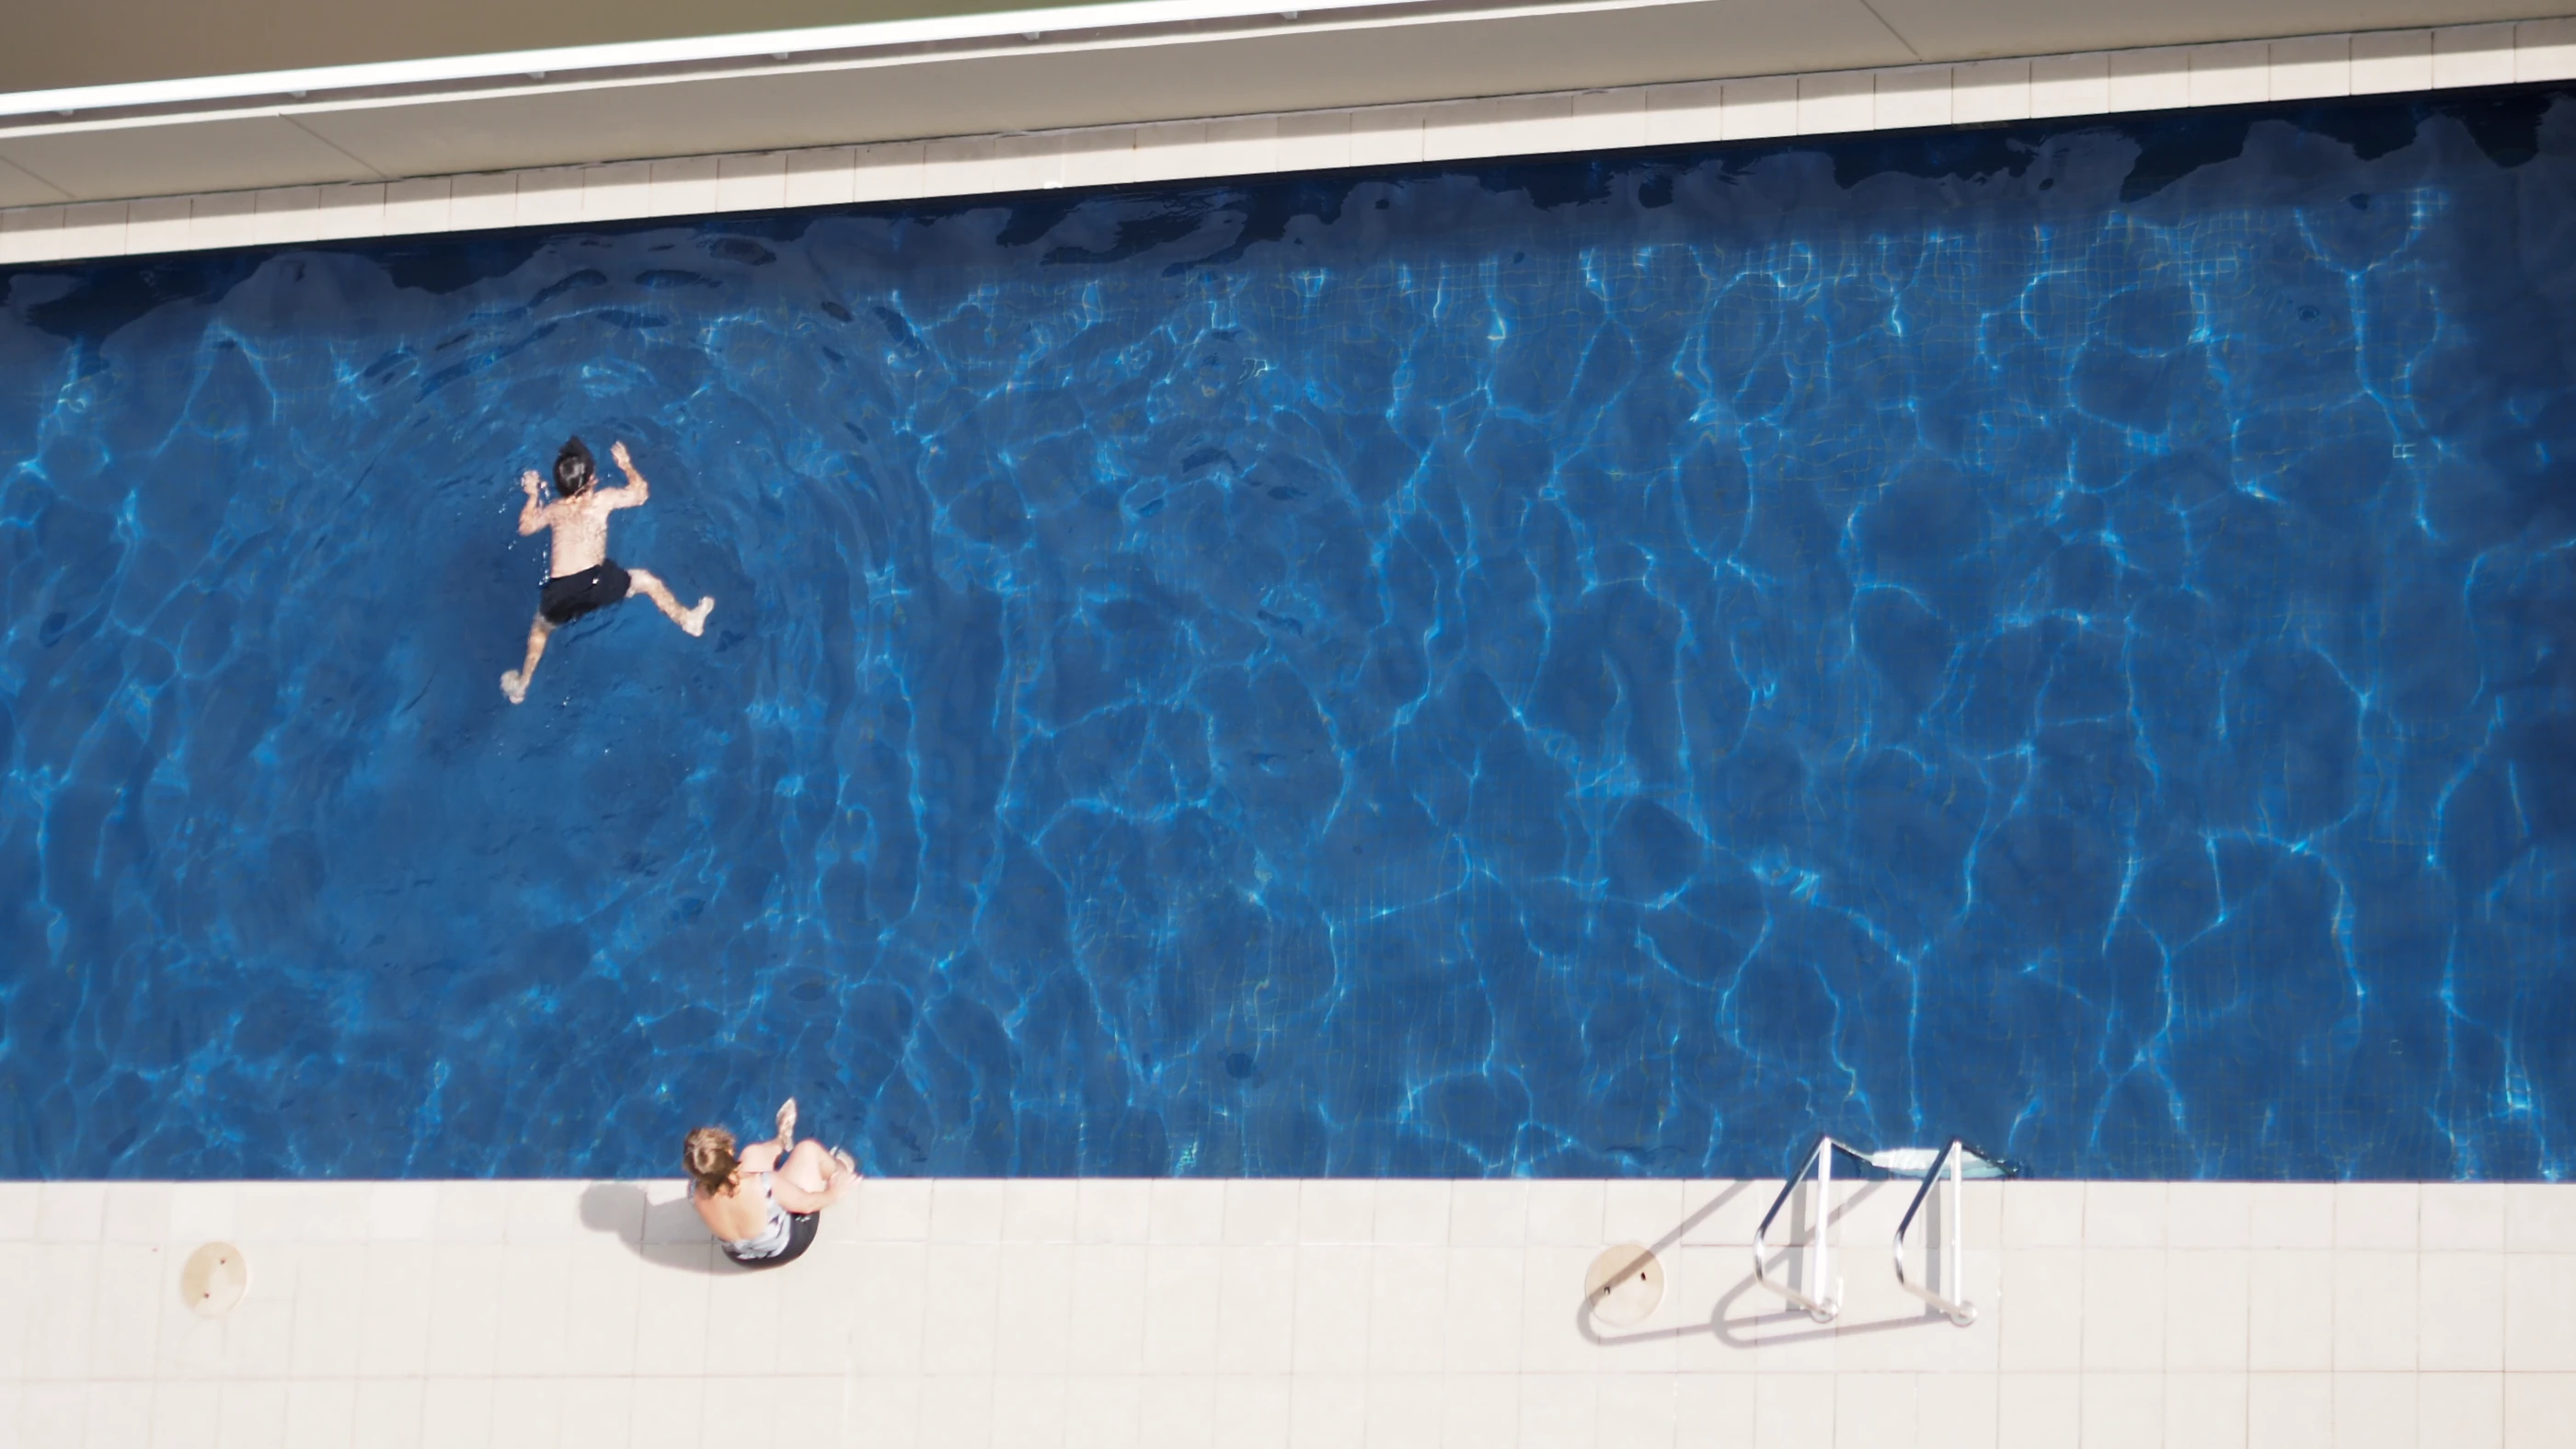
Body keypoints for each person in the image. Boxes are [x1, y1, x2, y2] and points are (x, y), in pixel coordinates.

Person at [500, 436, 715, 705]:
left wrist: (532, 495)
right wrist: (627, 465)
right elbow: (640, 494)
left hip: (563, 591)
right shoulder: (603, 500)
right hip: (597, 581)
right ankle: (687, 620)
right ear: (592, 480)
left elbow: (526, 527)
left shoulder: (554, 509)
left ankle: (523, 684)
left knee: (540, 629)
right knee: (647, 581)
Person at [685, 1098, 860, 1270]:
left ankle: (782, 1140)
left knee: (751, 1153)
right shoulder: (763, 1184)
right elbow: (808, 1204)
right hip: (784, 1249)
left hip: (739, 1255)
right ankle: (841, 1168)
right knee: (807, 1150)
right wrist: (833, 1193)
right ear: (729, 1150)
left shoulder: (694, 1192)